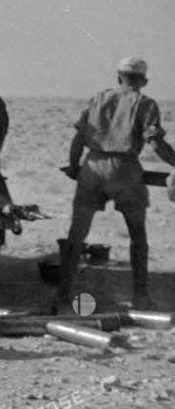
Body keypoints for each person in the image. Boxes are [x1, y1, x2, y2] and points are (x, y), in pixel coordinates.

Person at [57, 58, 175, 311]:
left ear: (118, 76)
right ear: (144, 81)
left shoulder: (98, 99)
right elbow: (155, 142)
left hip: (92, 168)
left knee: (76, 236)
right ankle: (140, 297)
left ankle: (63, 295)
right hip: (125, 171)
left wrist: (74, 167)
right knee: (137, 236)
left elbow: (79, 139)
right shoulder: (145, 104)